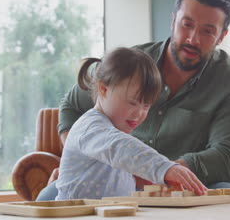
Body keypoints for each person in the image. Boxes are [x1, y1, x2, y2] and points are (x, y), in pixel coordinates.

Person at [37, 0, 230, 201]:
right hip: (109, 181)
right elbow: (72, 106)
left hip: (185, 186)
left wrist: (165, 172)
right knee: (47, 199)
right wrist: (80, 159)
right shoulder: (129, 64)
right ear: (173, 21)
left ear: (222, 36)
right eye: (186, 24)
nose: (193, 39)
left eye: (207, 31)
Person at [55, 47, 207, 200]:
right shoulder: (90, 127)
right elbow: (119, 147)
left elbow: (121, 166)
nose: (139, 113)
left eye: (146, 105)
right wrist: (163, 167)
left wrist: (152, 179)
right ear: (103, 89)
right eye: (132, 102)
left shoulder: (115, 129)